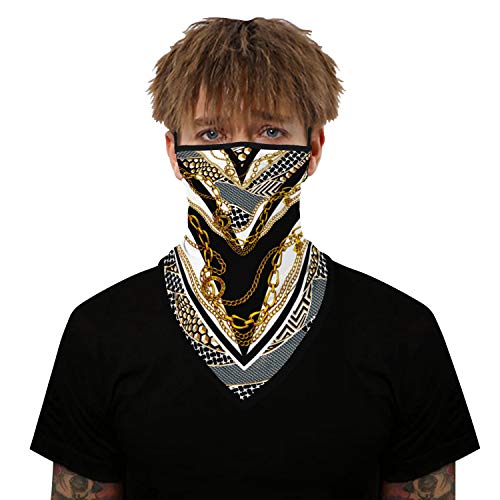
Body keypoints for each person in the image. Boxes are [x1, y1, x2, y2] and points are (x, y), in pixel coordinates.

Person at [29, 17, 480, 499]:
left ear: (313, 148)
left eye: (270, 131)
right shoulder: (100, 333)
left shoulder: (402, 332)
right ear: (174, 153)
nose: (241, 161)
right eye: (210, 134)